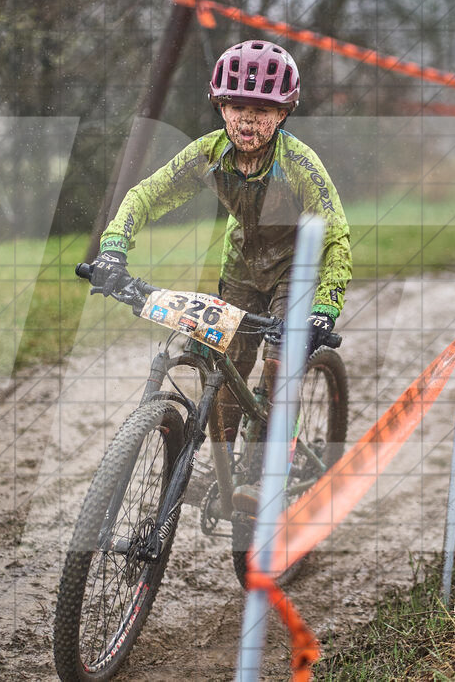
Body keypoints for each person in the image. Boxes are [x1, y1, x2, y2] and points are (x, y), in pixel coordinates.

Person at [90, 39, 352, 511]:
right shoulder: (210, 152)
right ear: (220, 105)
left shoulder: (301, 165)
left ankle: (264, 470)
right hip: (242, 267)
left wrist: (324, 309)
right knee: (224, 364)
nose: (248, 121)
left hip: (297, 268)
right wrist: (112, 251)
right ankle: (225, 467)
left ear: (284, 113)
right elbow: (146, 195)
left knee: (280, 363)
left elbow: (335, 237)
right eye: (236, 107)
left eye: (262, 110)